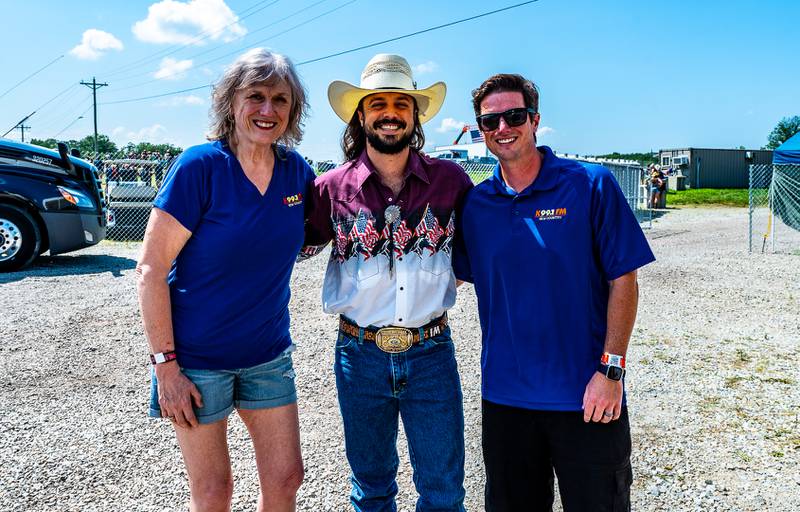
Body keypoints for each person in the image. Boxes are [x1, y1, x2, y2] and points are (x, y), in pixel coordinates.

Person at [453, 74, 655, 511]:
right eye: (491, 121)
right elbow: (445, 278)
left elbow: (625, 279)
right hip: (505, 400)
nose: (503, 127)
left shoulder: (590, 185)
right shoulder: (476, 206)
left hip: (587, 395)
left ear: (535, 120)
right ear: (481, 129)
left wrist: (612, 372)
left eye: (514, 116)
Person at [136, 48, 314, 512]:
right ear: (230, 102)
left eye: (280, 99)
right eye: (255, 96)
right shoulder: (200, 168)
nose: (267, 110)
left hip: (268, 356)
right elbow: (151, 270)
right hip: (196, 362)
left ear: (293, 109)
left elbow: (323, 230)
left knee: (287, 476)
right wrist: (165, 368)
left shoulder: (299, 174)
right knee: (213, 492)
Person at [301, 54, 473, 511]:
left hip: (431, 353)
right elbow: (289, 245)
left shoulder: (450, 182)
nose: (390, 113)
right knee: (371, 489)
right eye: (378, 103)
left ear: (415, 115)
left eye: (401, 103)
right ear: (361, 115)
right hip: (359, 356)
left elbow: (479, 252)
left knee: (443, 491)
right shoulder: (330, 189)